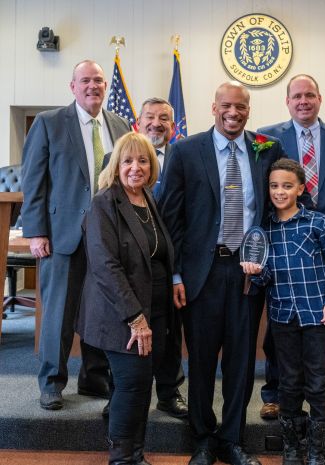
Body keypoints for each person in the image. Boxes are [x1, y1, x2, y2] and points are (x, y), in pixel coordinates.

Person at [157, 81, 290, 465]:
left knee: (241, 361)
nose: (234, 113)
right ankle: (201, 439)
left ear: (249, 109)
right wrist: (176, 275)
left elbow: (284, 202)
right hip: (202, 273)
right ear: (213, 107)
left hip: (249, 272)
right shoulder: (185, 151)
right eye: (227, 106)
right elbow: (171, 221)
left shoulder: (267, 149)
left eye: (241, 107)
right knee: (200, 360)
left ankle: (232, 439)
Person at [21, 59, 131, 410]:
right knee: (59, 312)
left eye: (98, 80)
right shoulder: (49, 122)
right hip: (62, 236)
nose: (92, 86)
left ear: (105, 86)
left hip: (107, 237)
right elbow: (34, 182)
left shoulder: (120, 124)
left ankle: (93, 376)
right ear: (72, 86)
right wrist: (36, 232)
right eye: (85, 80)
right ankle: (52, 382)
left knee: (100, 310)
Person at [257, 74, 325, 420]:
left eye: (310, 95)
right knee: (280, 330)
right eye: (296, 96)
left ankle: (320, 398)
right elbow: (263, 189)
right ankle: (274, 394)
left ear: (320, 98)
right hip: (283, 241)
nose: (303, 101)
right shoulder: (265, 137)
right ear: (287, 101)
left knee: (319, 332)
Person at [77, 132, 175, 464]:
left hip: (155, 309)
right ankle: (122, 458)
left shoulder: (148, 199)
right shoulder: (105, 203)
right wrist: (136, 318)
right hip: (123, 315)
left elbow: (158, 254)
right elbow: (105, 266)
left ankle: (134, 452)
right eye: (128, 160)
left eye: (143, 160)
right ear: (116, 164)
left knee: (136, 385)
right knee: (133, 385)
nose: (136, 167)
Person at [242, 158, 325, 465]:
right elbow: (264, 279)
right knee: (288, 383)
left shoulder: (317, 223)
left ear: (300, 188)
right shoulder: (263, 232)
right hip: (282, 318)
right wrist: (254, 271)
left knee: (318, 381)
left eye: (287, 186)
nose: (279, 192)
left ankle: (318, 452)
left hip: (317, 316)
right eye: (274, 186)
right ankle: (292, 449)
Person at [103, 97, 188, 420]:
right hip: (128, 265)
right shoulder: (117, 157)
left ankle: (169, 392)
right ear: (138, 121)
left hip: (167, 263)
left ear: (173, 125)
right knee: (124, 334)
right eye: (150, 117)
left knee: (169, 332)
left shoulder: (181, 156)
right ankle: (119, 396)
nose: (156, 123)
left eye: (164, 118)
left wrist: (177, 272)